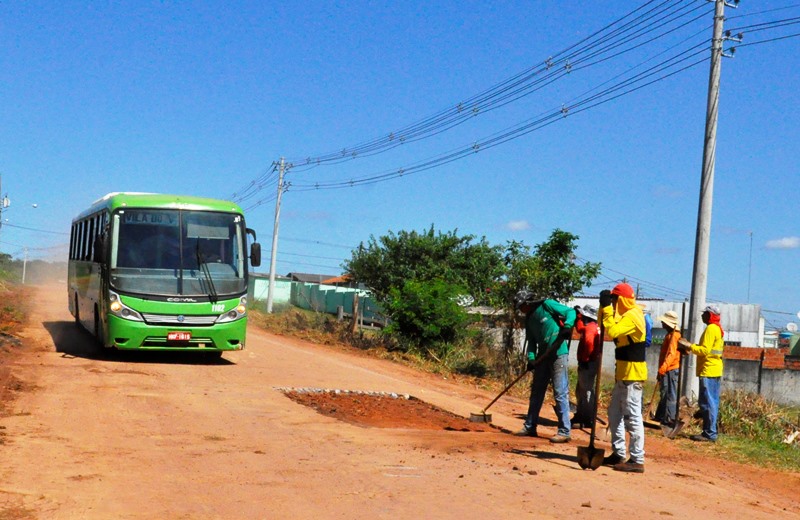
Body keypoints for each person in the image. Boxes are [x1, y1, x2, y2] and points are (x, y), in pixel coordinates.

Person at [513, 290, 577, 443]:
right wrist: (531, 359)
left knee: (560, 392)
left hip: (558, 353)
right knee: (536, 392)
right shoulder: (529, 320)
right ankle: (530, 426)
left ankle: (564, 431)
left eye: (521, 306)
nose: (520, 310)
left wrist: (567, 327)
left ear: (527, 303)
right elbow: (531, 342)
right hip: (543, 357)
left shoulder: (547, 305)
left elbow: (571, 312)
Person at [599, 282, 647, 473]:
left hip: (633, 375)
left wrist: (608, 309)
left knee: (632, 417)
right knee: (614, 414)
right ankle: (618, 453)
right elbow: (605, 322)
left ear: (623, 300)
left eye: (615, 299)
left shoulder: (633, 315)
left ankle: (637, 459)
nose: (613, 302)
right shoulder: (625, 314)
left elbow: (612, 331)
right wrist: (603, 307)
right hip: (623, 373)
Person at [678, 304, 724, 442]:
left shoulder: (711, 329)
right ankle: (709, 431)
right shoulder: (717, 329)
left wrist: (689, 346)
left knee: (708, 403)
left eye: (704, 313)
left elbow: (704, 350)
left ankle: (709, 433)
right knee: (711, 402)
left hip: (708, 369)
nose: (702, 315)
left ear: (710, 315)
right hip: (713, 369)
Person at [571, 304, 600, 429]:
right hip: (591, 362)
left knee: (586, 391)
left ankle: (587, 418)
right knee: (581, 390)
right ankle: (582, 414)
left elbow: (589, 344)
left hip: (588, 363)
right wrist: (577, 316)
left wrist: (586, 360)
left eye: (583, 316)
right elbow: (579, 328)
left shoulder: (590, 329)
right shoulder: (591, 327)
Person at [654, 310, 681, 427]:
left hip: (670, 369)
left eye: (663, 322)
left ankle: (669, 418)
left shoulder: (674, 335)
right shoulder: (669, 335)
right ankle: (661, 416)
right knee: (664, 392)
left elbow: (671, 354)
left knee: (670, 394)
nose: (662, 324)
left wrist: (663, 368)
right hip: (667, 369)